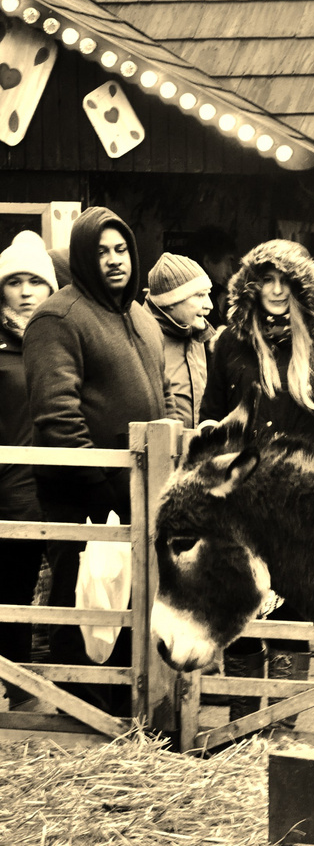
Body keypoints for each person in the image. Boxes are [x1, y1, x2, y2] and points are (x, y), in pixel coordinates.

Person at [23, 206, 176, 713]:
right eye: (101, 252)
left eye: (121, 250)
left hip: (144, 489)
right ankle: (80, 713)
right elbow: (56, 414)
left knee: (131, 604)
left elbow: (165, 390)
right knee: (82, 601)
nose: (114, 261)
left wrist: (168, 455)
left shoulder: (139, 314)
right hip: (85, 500)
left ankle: (122, 712)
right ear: (84, 258)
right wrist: (103, 485)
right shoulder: (58, 318)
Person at [200, 238, 314, 717]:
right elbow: (211, 410)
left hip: (299, 497)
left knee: (293, 601)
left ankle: (284, 714)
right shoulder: (230, 341)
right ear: (251, 285)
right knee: (243, 596)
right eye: (265, 280)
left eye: (285, 281)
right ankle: (244, 718)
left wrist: (302, 466)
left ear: (300, 285)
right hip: (244, 494)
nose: (274, 290)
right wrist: (215, 435)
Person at [0, 232, 58, 699]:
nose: (24, 292)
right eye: (14, 281)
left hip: (65, 491)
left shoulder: (61, 343)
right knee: (14, 593)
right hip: (13, 494)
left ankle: (71, 692)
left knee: (69, 596)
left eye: (33, 282)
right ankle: (18, 693)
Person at [143, 253, 213, 427]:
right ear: (171, 301)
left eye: (208, 294)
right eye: (199, 296)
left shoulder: (196, 332)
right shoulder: (141, 338)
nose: (209, 305)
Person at [186, 225, 237, 330]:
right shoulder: (203, 296)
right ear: (207, 261)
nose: (230, 271)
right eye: (227, 261)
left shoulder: (220, 293)